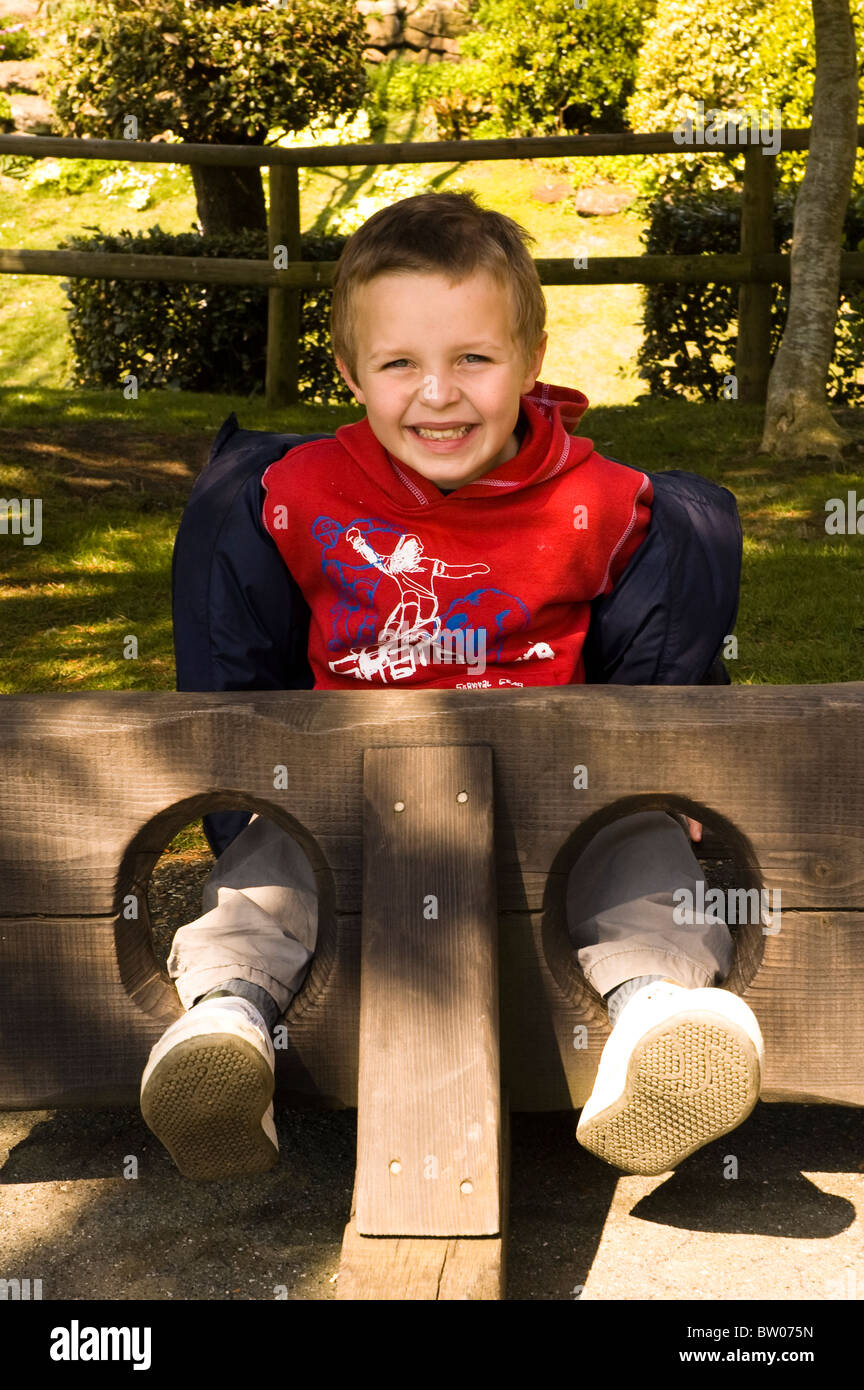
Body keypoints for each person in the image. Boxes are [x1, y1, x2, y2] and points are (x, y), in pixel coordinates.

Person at [140, 191, 763, 1181]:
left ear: (530, 358)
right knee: (269, 870)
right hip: (351, 802)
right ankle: (226, 1026)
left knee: (641, 846)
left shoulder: (607, 503)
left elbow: (661, 683)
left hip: (560, 801)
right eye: (399, 365)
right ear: (348, 374)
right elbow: (239, 668)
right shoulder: (294, 497)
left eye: (474, 359)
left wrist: (675, 778)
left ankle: (657, 1028)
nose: (439, 395)